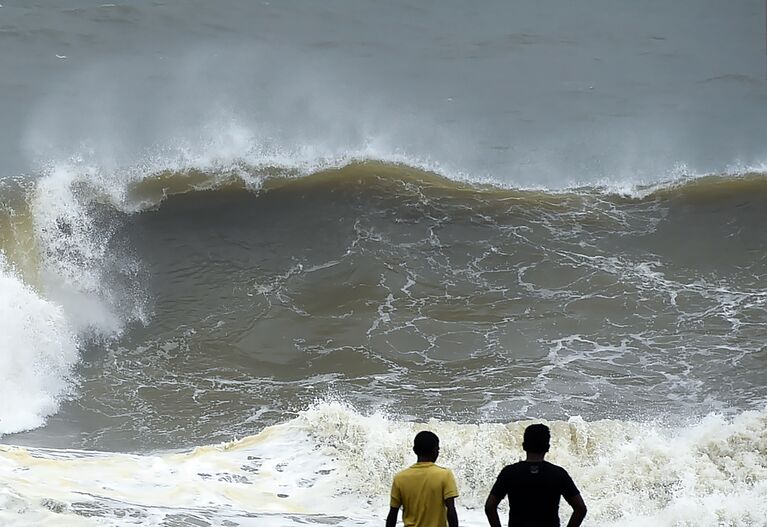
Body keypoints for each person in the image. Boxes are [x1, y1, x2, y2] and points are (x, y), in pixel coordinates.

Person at [484, 424, 586, 527]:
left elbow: (490, 507)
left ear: (524, 446)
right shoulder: (558, 473)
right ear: (547, 447)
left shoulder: (510, 472)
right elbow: (580, 508)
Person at [386, 430, 459, 527]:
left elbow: (393, 514)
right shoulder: (445, 475)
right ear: (435, 450)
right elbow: (451, 510)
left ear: (415, 450)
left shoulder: (400, 478)